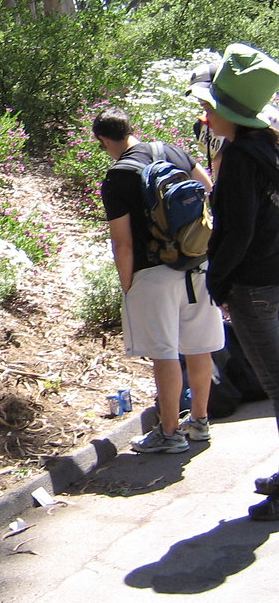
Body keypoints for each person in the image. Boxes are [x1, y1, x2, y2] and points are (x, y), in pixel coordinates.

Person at [92, 106, 224, 455]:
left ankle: (169, 432)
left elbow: (122, 242)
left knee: (164, 354)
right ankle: (199, 422)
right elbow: (209, 191)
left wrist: (128, 286)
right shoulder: (172, 151)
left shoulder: (118, 176)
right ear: (131, 128)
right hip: (197, 264)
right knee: (199, 347)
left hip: (153, 272)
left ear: (105, 140)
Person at [187, 43, 279, 520]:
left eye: (209, 106)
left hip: (255, 289)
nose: (204, 114)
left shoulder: (243, 159)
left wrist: (217, 285)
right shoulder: (267, 149)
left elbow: (237, 231)